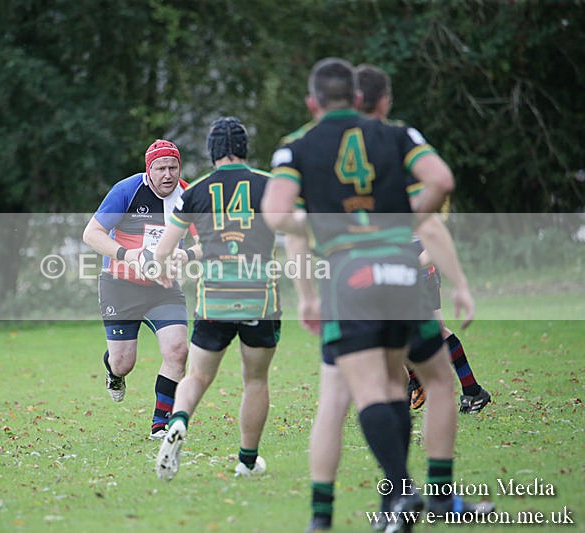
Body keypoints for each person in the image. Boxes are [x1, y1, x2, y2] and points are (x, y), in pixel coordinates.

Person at [261, 57, 480, 533]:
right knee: (434, 380)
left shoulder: (296, 148)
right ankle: (439, 495)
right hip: (402, 271)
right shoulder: (397, 135)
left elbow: (276, 214)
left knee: (364, 393)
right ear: (360, 99)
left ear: (312, 102)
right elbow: (441, 181)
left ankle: (395, 493)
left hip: (349, 276)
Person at [356, 63, 491, 414]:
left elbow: (431, 221)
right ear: (383, 102)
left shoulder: (390, 155)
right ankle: (464, 389)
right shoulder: (399, 151)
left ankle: (438, 387)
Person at [153, 117, 280, 481]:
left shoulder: (196, 191)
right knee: (255, 380)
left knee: (196, 375)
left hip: (214, 300)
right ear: (244, 149)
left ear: (212, 153)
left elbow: (164, 249)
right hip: (261, 298)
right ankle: (247, 460)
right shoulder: (268, 186)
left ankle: (178, 421)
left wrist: (162, 269)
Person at [82, 140, 200, 440]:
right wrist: (128, 255)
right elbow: (91, 234)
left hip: (164, 287)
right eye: (160, 168)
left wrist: (187, 255)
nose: (167, 175)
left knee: (177, 351)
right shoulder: (127, 190)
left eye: (173, 167)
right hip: (120, 285)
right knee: (124, 362)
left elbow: (208, 240)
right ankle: (113, 372)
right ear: (149, 170)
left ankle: (161, 425)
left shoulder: (189, 196)